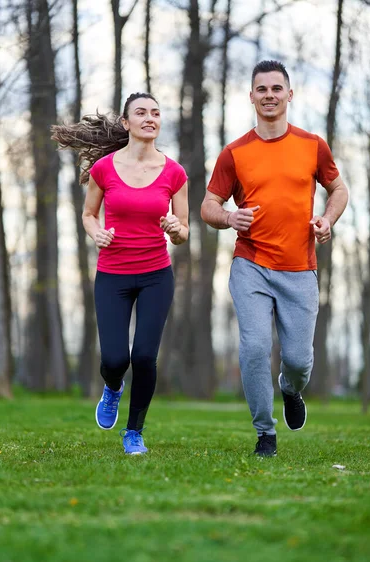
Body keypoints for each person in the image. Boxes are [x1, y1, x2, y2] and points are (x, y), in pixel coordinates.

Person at [201, 60, 348, 458]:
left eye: (276, 88)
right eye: (261, 89)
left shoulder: (312, 145)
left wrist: (326, 219)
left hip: (300, 268)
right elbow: (208, 205)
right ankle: (265, 432)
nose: (269, 95)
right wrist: (231, 217)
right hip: (251, 265)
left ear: (289, 94)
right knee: (253, 348)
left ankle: (290, 388)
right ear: (251, 97)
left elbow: (339, 190)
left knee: (299, 360)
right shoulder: (235, 153)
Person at [51, 92, 189, 454]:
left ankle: (134, 432)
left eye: (156, 113)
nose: (150, 118)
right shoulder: (105, 169)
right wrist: (96, 232)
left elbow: (184, 230)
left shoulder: (174, 173)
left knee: (144, 356)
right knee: (115, 360)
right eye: (141, 113)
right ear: (126, 123)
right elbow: (88, 214)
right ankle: (112, 388)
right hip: (112, 275)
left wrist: (175, 229)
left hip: (156, 275)